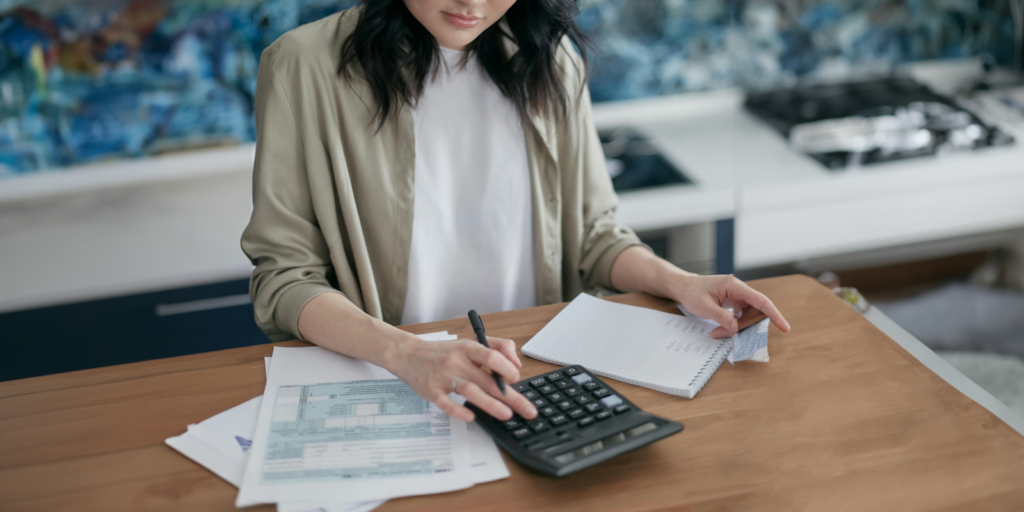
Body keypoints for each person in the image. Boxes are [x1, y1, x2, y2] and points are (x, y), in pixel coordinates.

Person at [241, 0, 790, 426]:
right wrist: (405, 354)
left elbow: (593, 234)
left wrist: (682, 282)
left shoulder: (550, 62)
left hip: (533, 378)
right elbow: (285, 279)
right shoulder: (304, 66)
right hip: (392, 382)